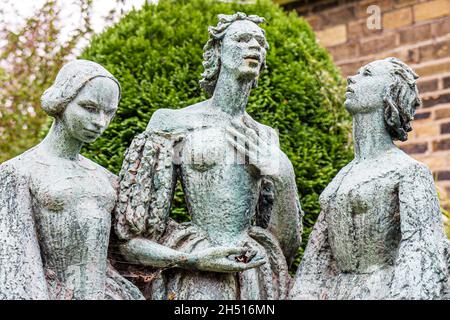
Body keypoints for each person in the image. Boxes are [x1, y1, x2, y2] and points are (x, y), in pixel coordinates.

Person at [115, 12, 302, 300]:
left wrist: (283, 172)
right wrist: (192, 260)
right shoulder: (172, 122)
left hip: (250, 270)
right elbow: (132, 239)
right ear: (217, 51)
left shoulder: (263, 136)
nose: (254, 45)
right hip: (196, 268)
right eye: (242, 38)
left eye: (260, 42)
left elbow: (285, 245)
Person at [290, 57, 449, 300]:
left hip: (382, 291)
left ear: (390, 93)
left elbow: (423, 252)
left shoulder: (409, 171)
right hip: (337, 292)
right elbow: (316, 257)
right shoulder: (342, 178)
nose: (352, 78)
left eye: (367, 74)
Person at [0, 59, 144, 300]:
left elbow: (131, 245)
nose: (100, 122)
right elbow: (17, 263)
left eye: (109, 112)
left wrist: (193, 258)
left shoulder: (104, 178)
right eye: (89, 107)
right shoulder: (18, 172)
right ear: (61, 102)